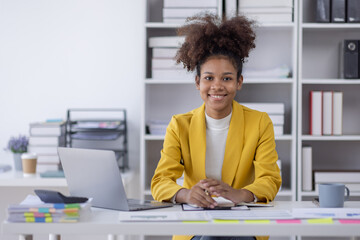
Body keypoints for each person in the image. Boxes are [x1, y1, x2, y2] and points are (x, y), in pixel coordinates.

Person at [151, 13, 282, 240]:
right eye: (209, 78)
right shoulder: (179, 125)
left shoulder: (260, 122)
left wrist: (240, 194)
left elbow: (269, 179)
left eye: (227, 78)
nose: (217, 86)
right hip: (195, 227)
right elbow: (160, 181)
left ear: (239, 82)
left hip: (244, 225)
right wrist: (186, 195)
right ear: (198, 82)